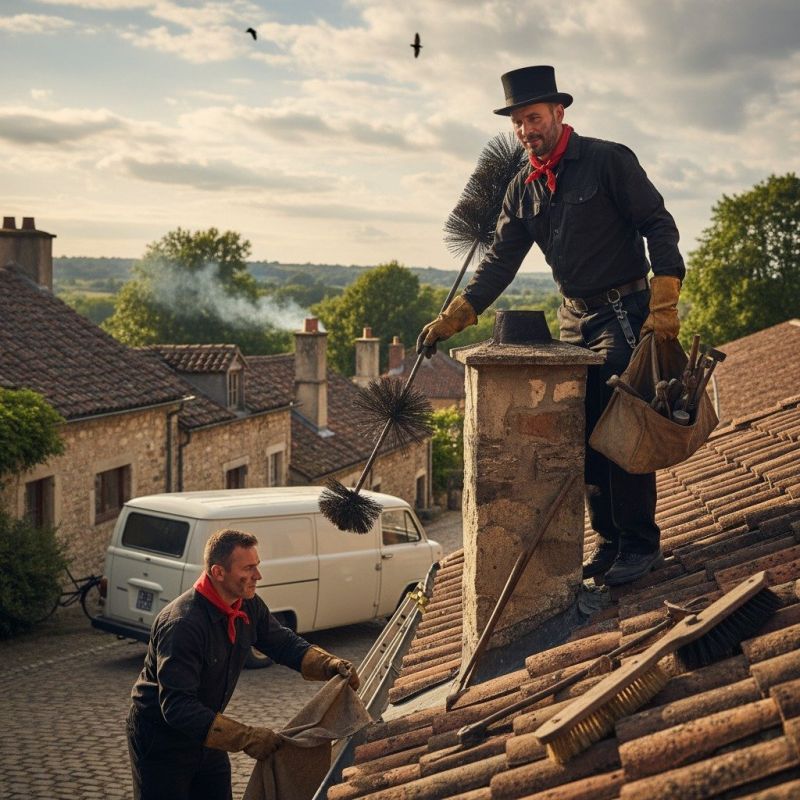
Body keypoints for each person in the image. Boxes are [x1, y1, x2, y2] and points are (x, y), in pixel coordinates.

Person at [418, 65, 685, 586]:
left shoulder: (608, 161)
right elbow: (499, 262)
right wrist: (457, 315)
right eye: (518, 123)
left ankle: (640, 543)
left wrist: (666, 295)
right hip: (574, 318)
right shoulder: (522, 187)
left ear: (559, 113)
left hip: (625, 313)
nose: (526, 131)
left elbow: (658, 222)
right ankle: (609, 542)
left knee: (619, 421)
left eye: (533, 118)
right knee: (580, 432)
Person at [127, 528, 359, 800]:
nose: (257, 576)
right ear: (218, 572)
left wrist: (328, 664)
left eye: (257, 566)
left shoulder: (247, 604)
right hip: (162, 743)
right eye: (248, 568)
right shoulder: (183, 625)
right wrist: (246, 738)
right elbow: (177, 706)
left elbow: (281, 643)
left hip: (207, 738)